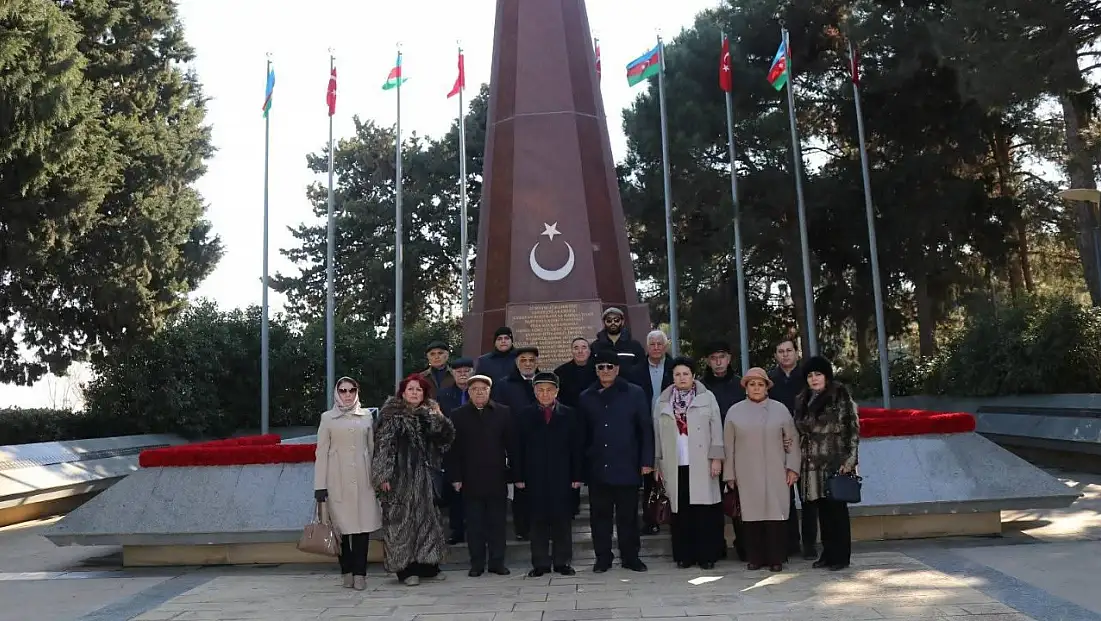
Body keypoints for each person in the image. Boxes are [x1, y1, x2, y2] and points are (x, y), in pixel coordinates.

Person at [372, 375, 455, 586]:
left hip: (426, 479)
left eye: (419, 390)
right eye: (411, 389)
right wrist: (383, 475)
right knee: (401, 523)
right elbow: (383, 447)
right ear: (403, 392)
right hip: (400, 479)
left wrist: (437, 418)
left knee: (428, 521)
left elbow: (446, 440)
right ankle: (405, 570)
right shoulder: (391, 416)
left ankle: (428, 567)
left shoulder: (429, 413)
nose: (415, 393)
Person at [578, 350, 653, 573]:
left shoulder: (634, 393)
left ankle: (631, 557)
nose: (605, 371)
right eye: (600, 367)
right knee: (599, 517)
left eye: (610, 367)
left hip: (627, 464)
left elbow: (645, 429)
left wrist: (646, 460)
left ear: (618, 369)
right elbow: (582, 435)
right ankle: (603, 557)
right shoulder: (586, 396)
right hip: (598, 466)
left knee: (628, 517)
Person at [723, 367, 800, 572]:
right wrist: (729, 474)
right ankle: (755, 558)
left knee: (776, 515)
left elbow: (791, 440)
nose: (756, 388)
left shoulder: (781, 410)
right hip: (746, 472)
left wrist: (792, 467)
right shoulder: (734, 412)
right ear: (745, 388)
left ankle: (776, 558)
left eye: (760, 384)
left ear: (767, 387)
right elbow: (728, 446)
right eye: (752, 384)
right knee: (751, 516)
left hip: (776, 470)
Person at [653, 357, 724, 570]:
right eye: (677, 374)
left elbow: (717, 430)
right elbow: (657, 434)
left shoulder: (706, 398)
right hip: (675, 463)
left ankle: (706, 556)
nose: (681, 378)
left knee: (703, 511)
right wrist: (658, 462)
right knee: (680, 512)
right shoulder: (663, 402)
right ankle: (684, 556)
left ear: (693, 376)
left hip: (702, 462)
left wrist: (717, 458)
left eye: (685, 374)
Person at [313, 377, 382, 591]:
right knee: (341, 530)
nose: (347, 394)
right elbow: (321, 453)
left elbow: (372, 450)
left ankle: (361, 573)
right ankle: (347, 570)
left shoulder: (367, 417)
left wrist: (377, 478)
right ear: (337, 392)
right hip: (337, 480)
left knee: (362, 530)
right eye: (343, 390)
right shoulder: (328, 418)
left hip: (363, 480)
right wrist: (320, 487)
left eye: (352, 390)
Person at [793, 356, 859, 572]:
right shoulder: (802, 398)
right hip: (810, 464)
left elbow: (851, 428)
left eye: (818, 374)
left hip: (834, 461)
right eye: (810, 375)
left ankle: (841, 556)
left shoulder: (839, 394)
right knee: (822, 510)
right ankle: (828, 554)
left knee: (837, 510)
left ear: (826, 376)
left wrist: (849, 460)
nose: (814, 379)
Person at [514, 372, 584, 577]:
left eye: (549, 390)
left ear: (557, 391)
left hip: (562, 477)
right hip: (534, 477)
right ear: (534, 392)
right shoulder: (524, 415)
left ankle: (562, 562)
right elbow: (517, 449)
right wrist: (518, 476)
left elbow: (576, 449)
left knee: (562, 521)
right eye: (540, 390)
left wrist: (577, 476)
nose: (545, 394)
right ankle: (540, 563)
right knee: (537, 522)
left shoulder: (570, 414)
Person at [445, 374, 514, 577]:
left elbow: (512, 446)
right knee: (474, 525)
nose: (479, 392)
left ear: (489, 391)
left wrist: (513, 476)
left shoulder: (503, 412)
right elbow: (453, 450)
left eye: (483, 389)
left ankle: (497, 562)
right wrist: (455, 477)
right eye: (474, 389)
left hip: (497, 477)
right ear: (469, 392)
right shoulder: (458, 415)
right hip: (470, 478)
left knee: (497, 524)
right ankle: (477, 564)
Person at [698, 341, 747, 560]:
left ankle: (744, 545)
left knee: (740, 499)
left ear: (729, 359)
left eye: (722, 357)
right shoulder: (700, 387)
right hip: (708, 451)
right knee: (713, 501)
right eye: (714, 358)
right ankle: (716, 546)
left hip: (738, 450)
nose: (718, 362)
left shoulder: (740, 385)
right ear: (708, 361)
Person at [768, 337, 815, 559]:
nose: (785, 354)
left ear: (796, 353)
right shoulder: (771, 380)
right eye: (780, 351)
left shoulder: (807, 377)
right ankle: (789, 543)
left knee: (807, 496)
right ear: (776, 355)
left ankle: (809, 544)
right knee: (784, 496)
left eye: (789, 350)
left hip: (806, 444)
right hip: (780, 446)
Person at [626, 330, 674, 534]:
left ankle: (673, 515)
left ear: (665, 346)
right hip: (645, 428)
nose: (655, 347)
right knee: (649, 475)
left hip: (671, 427)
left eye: (659, 344)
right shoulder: (635, 371)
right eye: (652, 344)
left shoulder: (675, 369)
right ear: (647, 347)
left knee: (671, 472)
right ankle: (650, 518)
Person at [491, 345, 541, 540]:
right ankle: (523, 528)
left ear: (537, 362)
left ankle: (542, 525)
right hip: (516, 442)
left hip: (542, 442)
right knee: (521, 487)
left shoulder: (545, 381)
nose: (528, 364)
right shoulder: (504, 385)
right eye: (523, 360)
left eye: (531, 360)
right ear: (517, 363)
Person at [553, 337, 596, 517]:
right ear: (571, 351)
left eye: (584, 347)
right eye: (576, 348)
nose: (580, 351)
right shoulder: (561, 372)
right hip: (571, 424)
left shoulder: (598, 369)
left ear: (589, 350)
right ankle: (572, 503)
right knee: (572, 464)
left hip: (595, 423)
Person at [438, 357, 474, 544]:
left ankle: (475, 530)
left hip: (476, 448)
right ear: (452, 373)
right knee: (455, 491)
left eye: (466, 370)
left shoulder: (479, 392)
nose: (463, 374)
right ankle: (457, 530)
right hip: (452, 448)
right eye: (459, 371)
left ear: (472, 372)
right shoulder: (443, 395)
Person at [590, 307, 646, 371]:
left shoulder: (635, 345)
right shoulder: (595, 346)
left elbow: (641, 368)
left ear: (622, 321)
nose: (613, 323)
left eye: (616, 320)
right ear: (604, 322)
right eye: (609, 320)